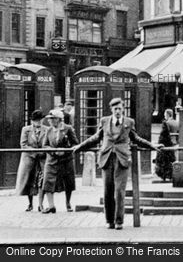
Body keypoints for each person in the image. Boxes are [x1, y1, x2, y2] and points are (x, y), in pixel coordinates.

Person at [74, 97, 163, 230]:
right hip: (106, 159)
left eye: (120, 109)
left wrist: (153, 146)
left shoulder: (129, 122)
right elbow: (96, 138)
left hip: (122, 160)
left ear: (123, 109)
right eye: (115, 109)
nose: (117, 111)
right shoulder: (104, 121)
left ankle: (119, 221)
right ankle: (109, 220)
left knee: (119, 191)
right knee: (107, 191)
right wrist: (79, 147)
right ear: (111, 110)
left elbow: (136, 139)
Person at [41, 108, 79, 213]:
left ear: (58, 119)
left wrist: (65, 151)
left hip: (66, 160)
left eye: (52, 119)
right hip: (52, 160)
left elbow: (75, 143)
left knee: (68, 182)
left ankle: (68, 203)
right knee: (48, 181)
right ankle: (51, 206)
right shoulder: (48, 130)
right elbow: (45, 145)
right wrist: (53, 151)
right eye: (49, 119)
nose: (50, 121)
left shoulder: (68, 128)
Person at [15, 110, 47, 212]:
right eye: (36, 120)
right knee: (29, 180)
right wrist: (35, 152)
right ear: (32, 121)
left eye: (40, 120)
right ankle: (30, 203)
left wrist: (43, 152)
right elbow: (23, 144)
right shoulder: (26, 130)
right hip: (29, 159)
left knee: (41, 181)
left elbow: (48, 143)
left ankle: (40, 204)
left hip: (42, 159)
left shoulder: (46, 129)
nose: (39, 122)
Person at [154, 117, 175, 182]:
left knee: (163, 161)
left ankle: (164, 175)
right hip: (172, 144)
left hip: (165, 144)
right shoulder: (176, 122)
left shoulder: (166, 123)